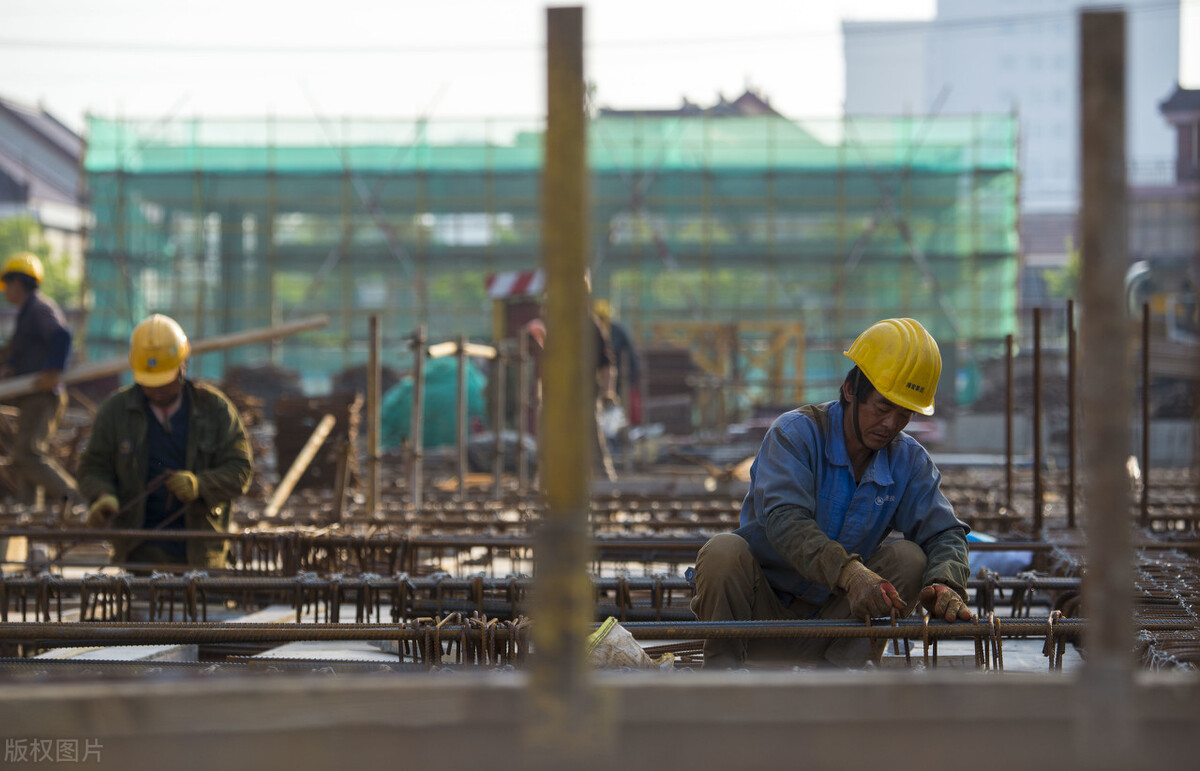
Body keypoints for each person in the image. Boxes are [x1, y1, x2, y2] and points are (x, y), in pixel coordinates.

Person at [690, 318, 974, 669]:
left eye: (904, 414)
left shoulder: (909, 460)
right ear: (850, 389)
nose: (890, 424)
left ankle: (841, 676)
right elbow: (786, 521)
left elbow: (945, 532)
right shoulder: (795, 435)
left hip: (837, 623)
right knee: (723, 551)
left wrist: (946, 582)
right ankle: (722, 679)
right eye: (883, 408)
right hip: (758, 618)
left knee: (910, 559)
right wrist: (850, 574)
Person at [77, 314, 253, 568]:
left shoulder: (215, 409)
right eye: (150, 383)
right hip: (138, 554)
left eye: (165, 381)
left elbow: (241, 471)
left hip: (201, 554)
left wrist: (200, 484)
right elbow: (93, 466)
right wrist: (103, 495)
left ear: (184, 365)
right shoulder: (115, 411)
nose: (158, 389)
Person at [0, 252, 79, 506]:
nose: (4, 292)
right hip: (32, 397)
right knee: (25, 460)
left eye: (6, 285)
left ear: (18, 283)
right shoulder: (27, 314)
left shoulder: (39, 307)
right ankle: (29, 519)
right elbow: (19, 352)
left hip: (43, 396)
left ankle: (80, 501)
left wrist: (53, 371)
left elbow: (61, 336)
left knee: (28, 455)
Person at [593, 299, 643, 426]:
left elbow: (622, 358)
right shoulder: (591, 330)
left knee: (616, 410)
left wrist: (630, 379)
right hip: (597, 379)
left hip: (620, 378)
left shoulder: (617, 332)